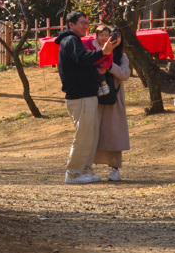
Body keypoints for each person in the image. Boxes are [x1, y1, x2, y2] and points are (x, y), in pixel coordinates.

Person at [56, 11, 119, 185]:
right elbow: (84, 59)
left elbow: (85, 62)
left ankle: (84, 169)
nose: (86, 26)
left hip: (88, 94)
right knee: (83, 135)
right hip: (79, 95)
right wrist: (104, 51)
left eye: (87, 23)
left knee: (91, 135)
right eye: (82, 23)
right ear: (71, 25)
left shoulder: (75, 41)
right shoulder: (70, 41)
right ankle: (73, 173)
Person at [93, 29, 131, 182]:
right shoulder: (95, 52)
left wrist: (110, 66)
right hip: (96, 96)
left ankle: (114, 168)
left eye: (118, 36)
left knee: (114, 133)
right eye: (109, 36)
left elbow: (125, 74)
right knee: (94, 133)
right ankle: (89, 166)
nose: (114, 39)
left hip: (114, 98)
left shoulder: (122, 56)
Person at [83, 25, 115, 97]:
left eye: (106, 35)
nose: (104, 37)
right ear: (96, 36)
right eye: (101, 35)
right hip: (90, 64)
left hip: (100, 66)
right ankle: (98, 87)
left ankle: (103, 84)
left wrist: (104, 65)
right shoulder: (92, 43)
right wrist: (88, 51)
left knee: (99, 71)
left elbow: (109, 59)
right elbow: (84, 45)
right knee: (93, 72)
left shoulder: (108, 47)